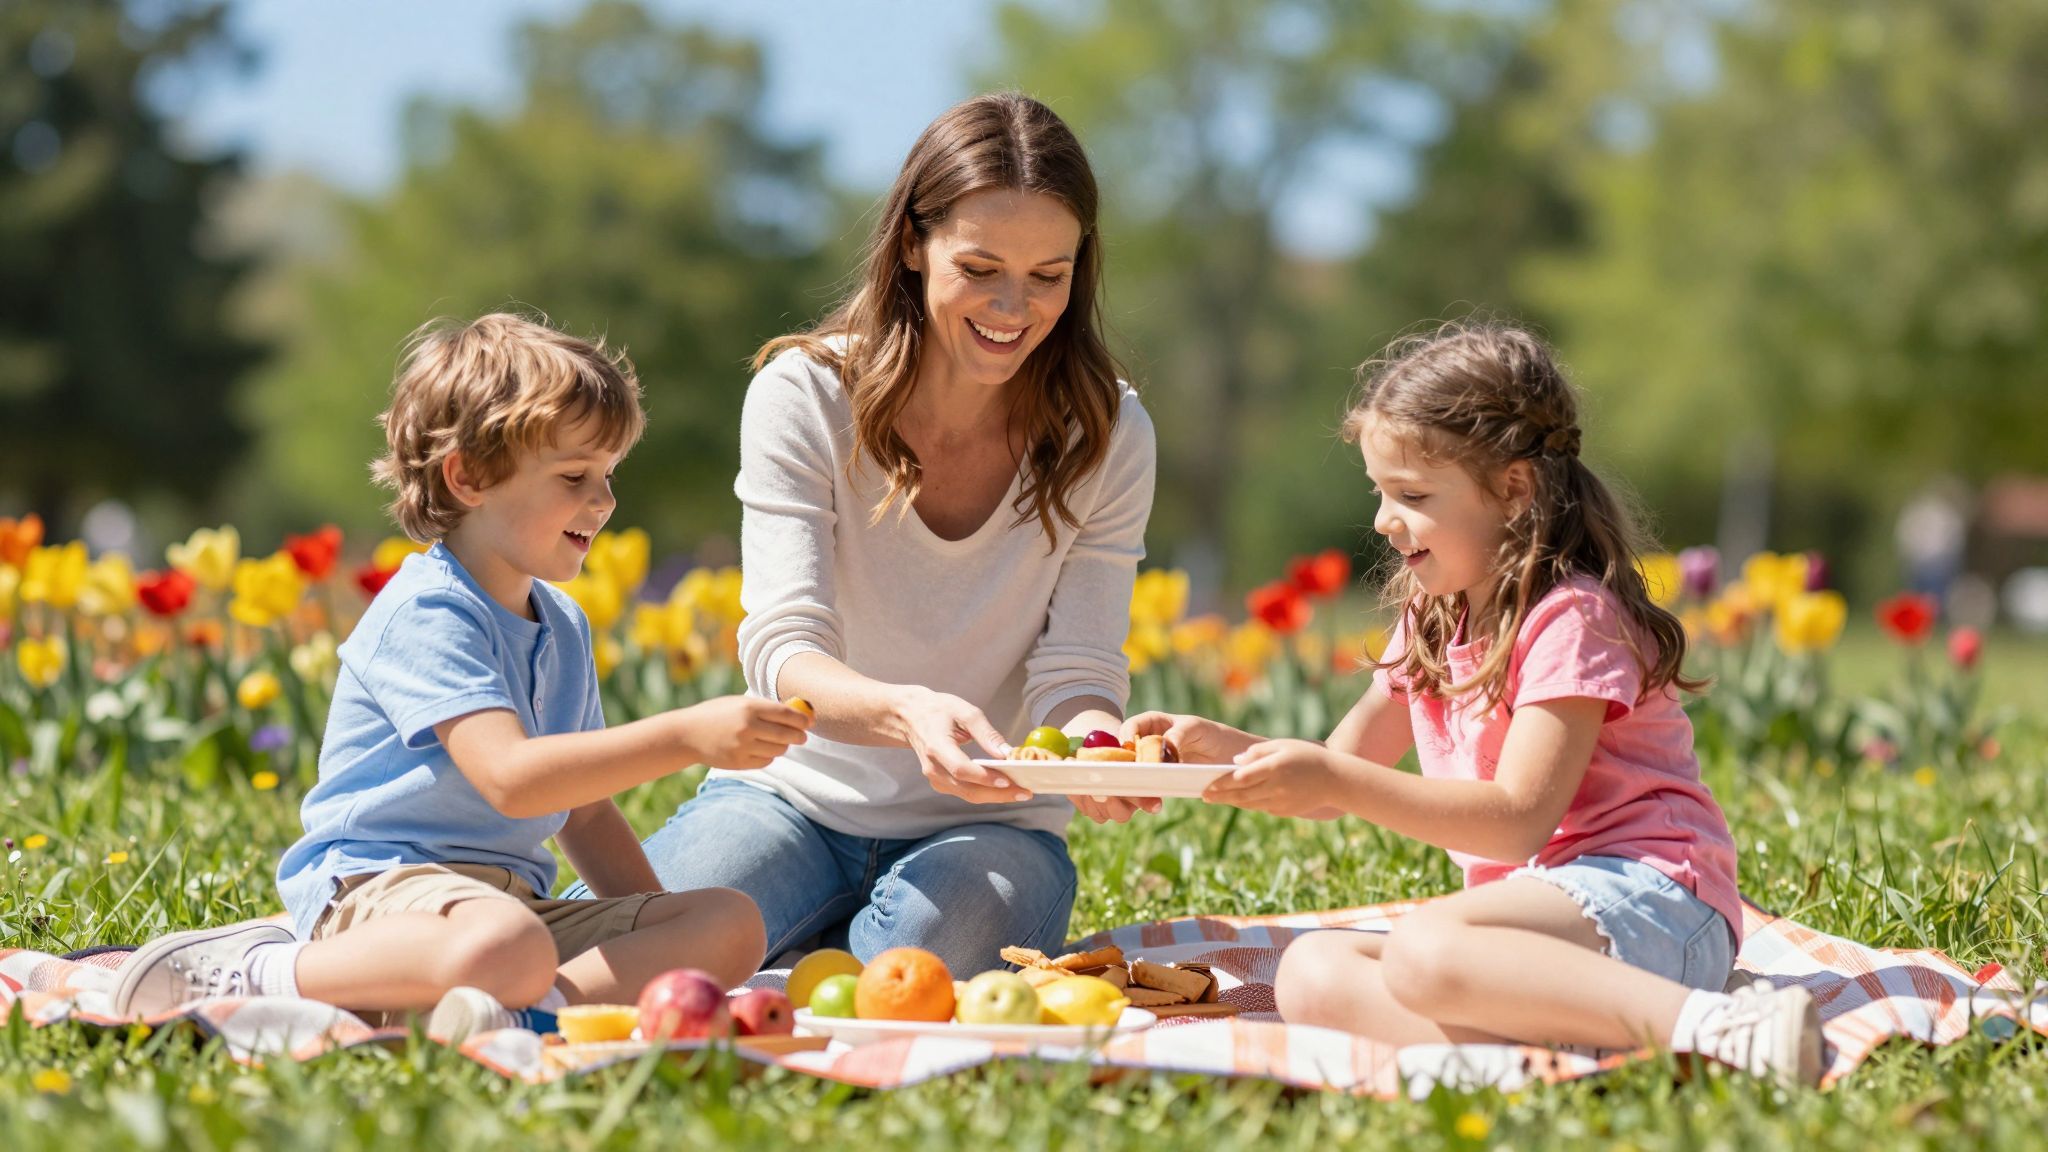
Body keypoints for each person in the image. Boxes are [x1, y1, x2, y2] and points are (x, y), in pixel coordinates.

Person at [1126, 323, 1824, 1087]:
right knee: (1311, 975)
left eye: (1412, 495)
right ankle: (1601, 1041)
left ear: (1514, 490)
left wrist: (1334, 782)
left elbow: (1518, 819)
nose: (1383, 519)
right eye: (1380, 492)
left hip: (1653, 900)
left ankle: (1720, 1028)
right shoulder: (1432, 619)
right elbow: (1333, 776)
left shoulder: (1571, 618)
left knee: (1425, 947)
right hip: (1540, 927)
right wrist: (1217, 751)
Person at [580, 93, 1156, 975]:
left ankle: (793, 956)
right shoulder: (805, 397)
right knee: (616, 944)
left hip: (990, 826)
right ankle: (799, 945)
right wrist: (907, 714)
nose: (1014, 307)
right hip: (792, 802)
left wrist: (1097, 754)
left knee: (922, 960)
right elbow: (784, 651)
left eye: (1049, 275)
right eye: (980, 267)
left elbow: (1077, 670)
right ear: (913, 245)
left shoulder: (1107, 434)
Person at [113, 314, 809, 1037]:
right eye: (575, 476)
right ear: (468, 476)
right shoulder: (428, 610)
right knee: (506, 944)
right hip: (382, 893)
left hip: (509, 914)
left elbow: (587, 813)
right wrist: (687, 736)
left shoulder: (563, 624)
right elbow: (510, 778)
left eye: (609, 475)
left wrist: (659, 933)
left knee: (729, 922)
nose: (604, 501)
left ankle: (533, 1012)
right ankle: (259, 969)